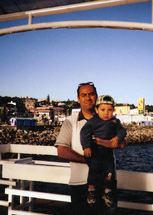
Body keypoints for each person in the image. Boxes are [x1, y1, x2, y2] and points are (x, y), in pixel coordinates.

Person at [55, 82, 123, 214]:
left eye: (91, 94)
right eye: (84, 95)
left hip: (107, 183)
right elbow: (61, 150)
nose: (88, 98)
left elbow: (121, 143)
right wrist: (89, 160)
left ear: (96, 97)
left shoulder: (109, 120)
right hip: (80, 185)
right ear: (78, 99)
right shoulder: (70, 122)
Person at [80, 95, 126, 209]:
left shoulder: (115, 121)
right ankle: (91, 191)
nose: (106, 113)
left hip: (108, 153)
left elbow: (122, 131)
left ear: (113, 110)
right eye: (103, 110)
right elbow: (84, 133)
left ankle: (108, 192)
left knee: (110, 172)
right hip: (95, 151)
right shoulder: (93, 121)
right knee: (94, 169)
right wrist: (86, 147)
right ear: (96, 110)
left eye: (109, 110)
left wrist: (117, 138)